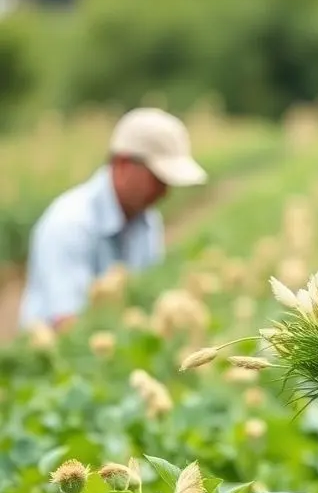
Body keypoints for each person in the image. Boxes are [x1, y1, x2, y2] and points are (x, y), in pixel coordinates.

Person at [18, 107, 208, 332]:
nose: (165, 192)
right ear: (123, 164)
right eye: (158, 178)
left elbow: (144, 298)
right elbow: (68, 326)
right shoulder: (69, 224)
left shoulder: (147, 220)